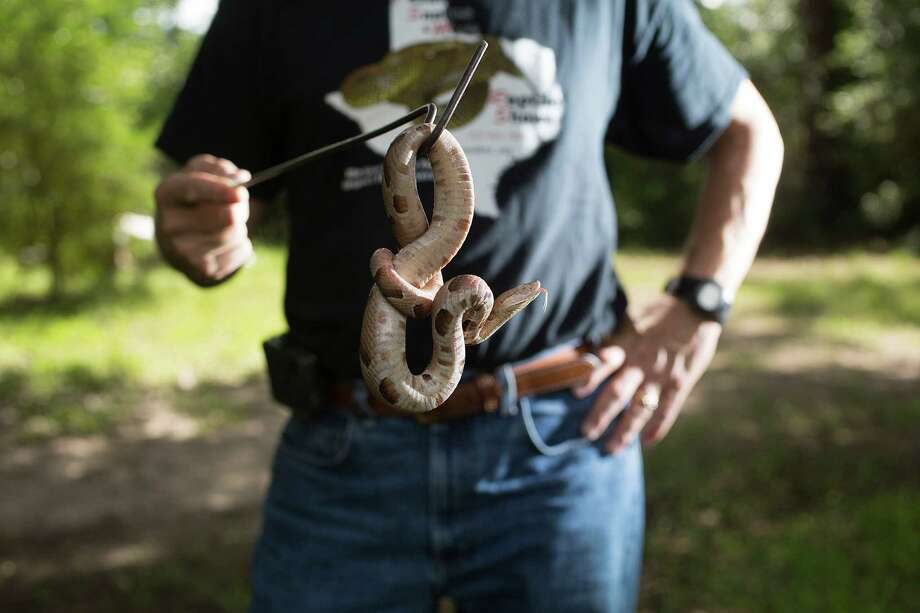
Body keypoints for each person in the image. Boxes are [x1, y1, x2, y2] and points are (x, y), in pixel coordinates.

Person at [153, 1, 783, 611]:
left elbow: (749, 132)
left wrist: (699, 304)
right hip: (340, 460)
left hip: (563, 448)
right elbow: (216, 226)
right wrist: (200, 231)